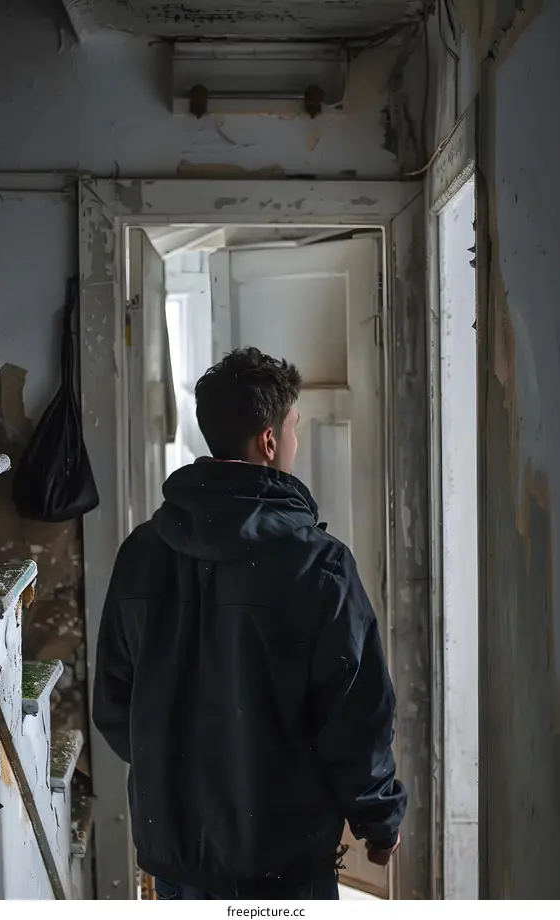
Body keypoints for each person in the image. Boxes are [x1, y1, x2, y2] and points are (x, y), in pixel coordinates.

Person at [93, 347, 407, 901]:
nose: (294, 440)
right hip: (283, 864)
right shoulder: (319, 564)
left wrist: (179, 770)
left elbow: (116, 707)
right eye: (292, 428)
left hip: (176, 858)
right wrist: (378, 821)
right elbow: (355, 716)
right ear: (269, 439)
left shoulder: (142, 551)